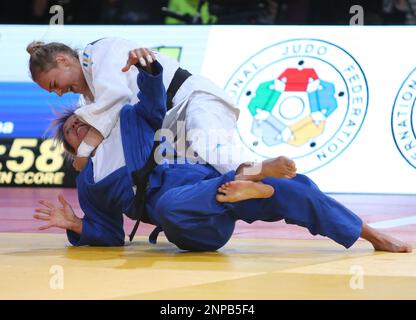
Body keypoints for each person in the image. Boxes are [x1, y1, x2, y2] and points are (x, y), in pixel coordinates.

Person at [34, 60, 412, 253]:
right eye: (70, 133)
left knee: (294, 188)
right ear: (73, 151)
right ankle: (248, 179)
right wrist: (76, 224)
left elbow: (153, 101)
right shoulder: (91, 181)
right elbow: (110, 234)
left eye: (79, 122)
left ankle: (371, 234)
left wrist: (148, 68)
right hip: (189, 220)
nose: (77, 129)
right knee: (169, 206)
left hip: (198, 178)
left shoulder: (128, 121)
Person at [26, 37, 254, 175]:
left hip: (193, 100)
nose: (58, 93)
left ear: (63, 61)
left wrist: (84, 152)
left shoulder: (100, 53)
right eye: (53, 91)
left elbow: (116, 99)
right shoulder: (90, 98)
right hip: (170, 129)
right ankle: (262, 183)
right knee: (204, 175)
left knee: (208, 143)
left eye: (55, 84)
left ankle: (252, 173)